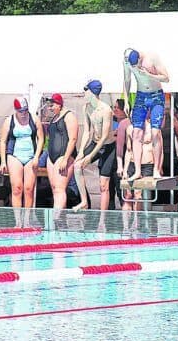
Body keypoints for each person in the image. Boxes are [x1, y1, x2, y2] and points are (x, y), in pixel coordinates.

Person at [73, 80, 116, 230]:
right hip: (94, 142)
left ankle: (102, 222)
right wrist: (81, 153)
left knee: (103, 186)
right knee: (77, 165)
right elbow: (87, 132)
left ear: (92, 92)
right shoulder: (86, 107)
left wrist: (90, 157)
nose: (83, 93)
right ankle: (84, 201)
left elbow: (104, 137)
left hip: (108, 147)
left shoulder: (106, 110)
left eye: (85, 91)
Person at [123, 48, 170, 179]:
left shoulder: (152, 57)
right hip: (141, 96)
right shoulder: (126, 62)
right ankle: (137, 171)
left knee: (155, 132)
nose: (136, 67)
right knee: (136, 132)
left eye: (137, 64)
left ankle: (156, 169)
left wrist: (149, 75)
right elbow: (127, 80)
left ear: (140, 58)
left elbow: (166, 78)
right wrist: (127, 101)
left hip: (156, 96)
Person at [0, 97, 44, 222]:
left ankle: (27, 221)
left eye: (25, 111)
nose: (23, 114)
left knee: (29, 189)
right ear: (15, 110)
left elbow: (41, 139)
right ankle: (18, 221)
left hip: (31, 156)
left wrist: (36, 157)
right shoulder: (9, 121)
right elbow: (3, 141)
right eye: (20, 111)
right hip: (14, 156)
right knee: (17, 188)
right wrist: (3, 161)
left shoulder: (34, 119)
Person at [45, 93, 78, 211]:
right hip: (52, 157)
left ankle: (55, 220)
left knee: (60, 189)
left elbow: (73, 139)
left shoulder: (69, 116)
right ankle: (60, 221)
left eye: (52, 105)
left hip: (64, 156)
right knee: (54, 188)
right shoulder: (54, 117)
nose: (50, 108)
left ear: (59, 104)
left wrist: (65, 158)